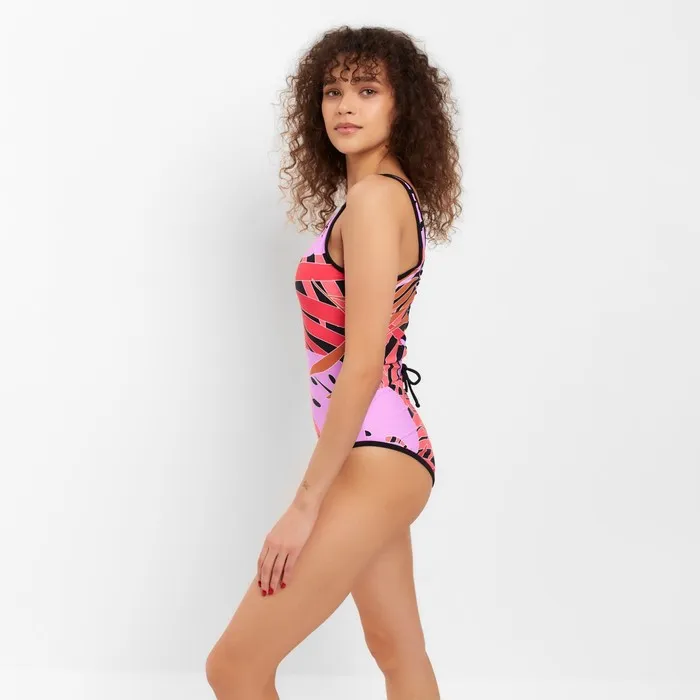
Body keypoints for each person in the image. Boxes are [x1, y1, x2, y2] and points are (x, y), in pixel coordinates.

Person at [206, 25, 462, 700]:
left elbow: (362, 364)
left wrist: (304, 507)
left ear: (403, 105)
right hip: (384, 453)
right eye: (332, 91)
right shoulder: (378, 196)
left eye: (368, 90)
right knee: (398, 652)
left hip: (376, 457)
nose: (345, 105)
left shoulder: (376, 199)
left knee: (234, 666)